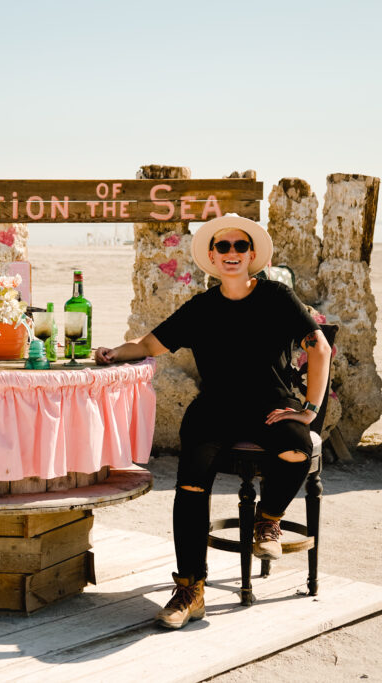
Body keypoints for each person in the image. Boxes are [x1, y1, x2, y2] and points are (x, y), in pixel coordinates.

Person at [94, 214, 330, 629]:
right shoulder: (201, 308)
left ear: (253, 255)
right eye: (223, 247)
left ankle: (268, 520)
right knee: (189, 486)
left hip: (271, 406)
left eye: (240, 246)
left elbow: (320, 348)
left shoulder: (277, 297)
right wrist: (115, 352)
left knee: (298, 446)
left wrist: (309, 409)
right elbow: (150, 343)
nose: (232, 254)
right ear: (212, 256)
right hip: (215, 409)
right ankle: (190, 590)